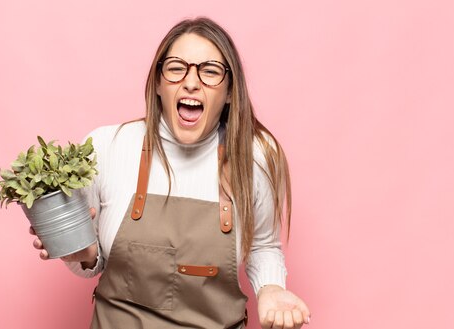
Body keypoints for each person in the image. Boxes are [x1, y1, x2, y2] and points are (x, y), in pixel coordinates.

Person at [30, 17, 311, 329]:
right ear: (159, 83)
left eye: (210, 71)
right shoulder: (107, 146)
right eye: (177, 67)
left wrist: (271, 288)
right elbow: (91, 262)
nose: (191, 82)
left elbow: (263, 245)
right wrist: (82, 253)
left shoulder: (257, 154)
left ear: (230, 91)